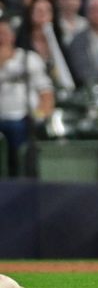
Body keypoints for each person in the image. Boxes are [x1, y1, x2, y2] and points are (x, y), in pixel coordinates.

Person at [0, 17, 54, 175]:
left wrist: (39, 115)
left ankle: (19, 178)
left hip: (25, 119)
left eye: (4, 33)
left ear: (12, 36)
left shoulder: (29, 59)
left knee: (18, 129)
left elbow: (46, 93)